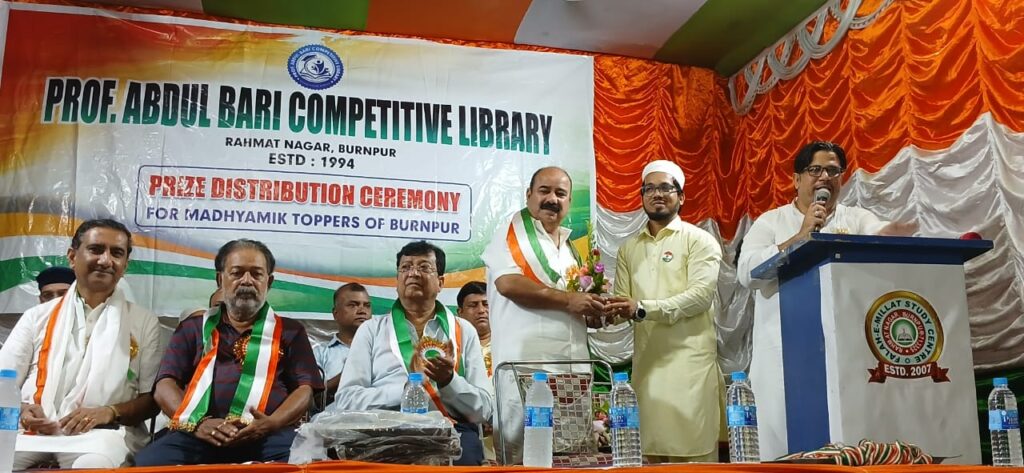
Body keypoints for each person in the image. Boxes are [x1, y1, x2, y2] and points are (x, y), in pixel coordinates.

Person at [736, 141, 917, 460]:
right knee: (782, 452)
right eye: (815, 170)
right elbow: (746, 272)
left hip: (847, 354)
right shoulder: (771, 222)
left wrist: (888, 234)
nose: (824, 177)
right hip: (783, 357)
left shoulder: (857, 218)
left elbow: (876, 232)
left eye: (833, 171)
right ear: (796, 179)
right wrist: (799, 238)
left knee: (844, 446)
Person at [134, 239, 323, 466]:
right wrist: (197, 424)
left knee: (309, 464)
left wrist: (271, 423)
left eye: (256, 274)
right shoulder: (192, 328)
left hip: (268, 435)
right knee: (149, 463)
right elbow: (165, 384)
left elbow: (305, 389)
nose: (247, 281)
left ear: (269, 282)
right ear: (220, 279)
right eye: (237, 273)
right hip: (198, 433)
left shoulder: (291, 331)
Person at [0, 219, 162, 469]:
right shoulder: (37, 317)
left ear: (125, 265)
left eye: (117, 253)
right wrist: (23, 409)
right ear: (72, 257)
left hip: (102, 435)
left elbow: (150, 400)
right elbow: (3, 383)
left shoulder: (143, 321)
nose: (106, 260)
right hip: (31, 432)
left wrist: (108, 412)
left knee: (93, 464)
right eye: (96, 249)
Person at [481, 166, 606, 464]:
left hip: (572, 374)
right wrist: (569, 301)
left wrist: (595, 312)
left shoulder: (570, 248)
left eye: (560, 194)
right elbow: (508, 284)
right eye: (544, 191)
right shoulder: (511, 232)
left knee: (571, 459)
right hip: (525, 370)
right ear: (529, 195)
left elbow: (574, 305)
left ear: (569, 202)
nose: (552, 199)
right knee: (522, 461)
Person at [333, 241, 493, 466]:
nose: (413, 273)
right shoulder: (371, 330)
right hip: (383, 431)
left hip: (450, 432)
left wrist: (449, 381)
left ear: (440, 282)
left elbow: (484, 409)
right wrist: (407, 391)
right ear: (397, 280)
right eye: (406, 267)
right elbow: (346, 400)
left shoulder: (463, 330)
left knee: (467, 453)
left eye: (424, 267)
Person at [606, 160, 723, 462]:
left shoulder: (699, 241)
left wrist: (642, 308)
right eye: (649, 189)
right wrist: (600, 310)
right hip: (648, 369)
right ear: (642, 196)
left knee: (694, 458)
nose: (657, 194)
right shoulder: (629, 248)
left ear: (681, 196)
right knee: (648, 456)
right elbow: (624, 305)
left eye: (665, 188)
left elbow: (700, 297)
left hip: (689, 367)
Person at [314, 282, 372, 405]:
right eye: (353, 305)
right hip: (333, 416)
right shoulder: (320, 354)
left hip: (380, 416)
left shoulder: (385, 350)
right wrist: (347, 374)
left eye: (367, 306)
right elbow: (313, 401)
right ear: (336, 314)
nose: (362, 311)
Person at [456, 281, 491, 375]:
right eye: (473, 305)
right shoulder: (453, 345)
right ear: (460, 312)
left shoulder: (507, 343)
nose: (481, 310)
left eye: (486, 304)